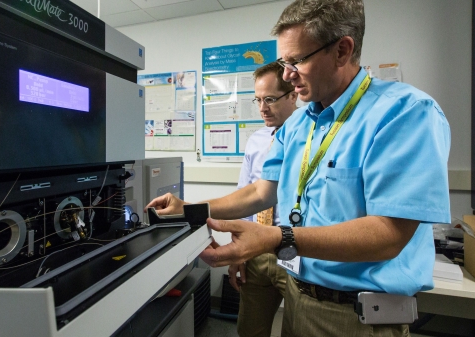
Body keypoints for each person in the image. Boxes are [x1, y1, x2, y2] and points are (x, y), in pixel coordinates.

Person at [146, 0, 451, 336]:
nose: (288, 76)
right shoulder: (298, 125)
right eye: (283, 62)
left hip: (357, 315)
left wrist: (276, 237)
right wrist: (192, 208)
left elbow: (388, 235)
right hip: (298, 295)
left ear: (342, 51)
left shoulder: (403, 114)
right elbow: (263, 191)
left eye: (297, 61)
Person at [232, 62, 296, 337]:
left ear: (293, 94)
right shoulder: (257, 140)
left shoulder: (311, 138)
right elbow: (245, 194)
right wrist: (237, 250)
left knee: (297, 329)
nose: (262, 108)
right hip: (257, 249)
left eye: (270, 99)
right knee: (249, 329)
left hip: (294, 250)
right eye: (258, 100)